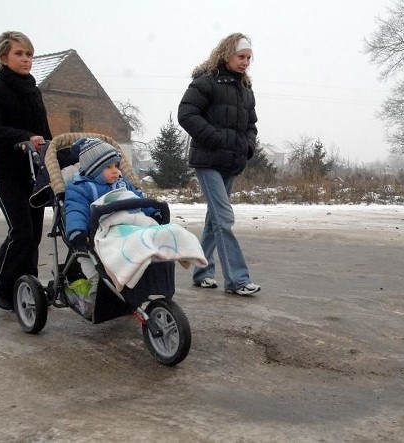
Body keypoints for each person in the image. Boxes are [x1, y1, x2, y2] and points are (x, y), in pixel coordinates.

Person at [177, 32, 261, 296]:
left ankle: (202, 272)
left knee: (215, 220)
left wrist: (247, 146)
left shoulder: (246, 89)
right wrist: (215, 138)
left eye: (249, 57)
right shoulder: (206, 82)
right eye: (241, 56)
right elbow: (186, 114)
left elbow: (251, 126)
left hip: (231, 162)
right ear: (227, 54)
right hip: (208, 161)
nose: (245, 62)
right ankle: (237, 280)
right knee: (224, 218)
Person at [0, 31, 52, 310]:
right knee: (20, 232)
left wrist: (57, 152)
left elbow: (44, 133)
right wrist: (22, 137)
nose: (26, 59)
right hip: (7, 175)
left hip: (35, 176)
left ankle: (27, 284)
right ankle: (1, 286)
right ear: (3, 58)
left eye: (29, 54)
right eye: (19, 54)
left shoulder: (35, 91)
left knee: (33, 235)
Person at [64, 137, 158, 304]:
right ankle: (96, 283)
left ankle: (133, 282)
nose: (115, 171)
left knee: (140, 248)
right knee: (85, 258)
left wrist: (152, 212)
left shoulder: (123, 184)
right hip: (97, 235)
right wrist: (77, 230)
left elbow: (137, 199)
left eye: (116, 166)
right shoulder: (80, 188)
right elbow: (76, 209)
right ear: (93, 170)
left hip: (126, 230)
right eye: (108, 167)